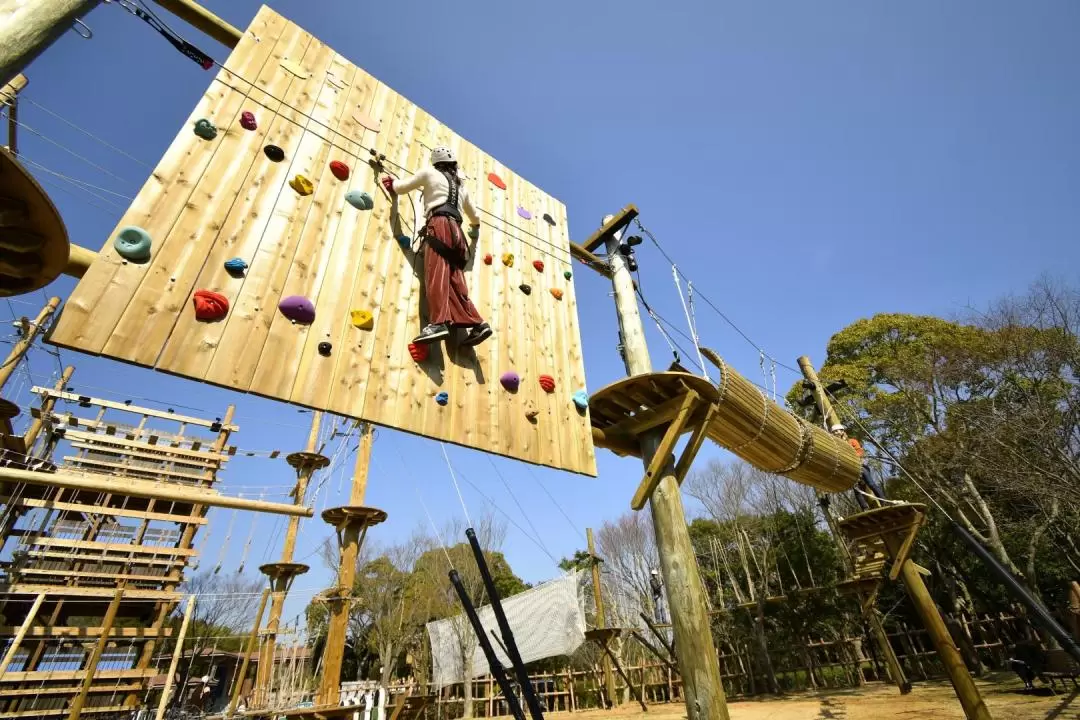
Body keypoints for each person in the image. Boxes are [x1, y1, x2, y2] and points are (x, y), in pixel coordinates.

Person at [382, 147, 492, 346]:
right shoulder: (462, 187)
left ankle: (438, 322)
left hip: (439, 224)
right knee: (455, 278)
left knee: (436, 273)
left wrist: (391, 183)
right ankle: (477, 323)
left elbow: (400, 188)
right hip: (458, 232)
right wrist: (474, 230)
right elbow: (476, 217)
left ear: (436, 162)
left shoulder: (428, 173)